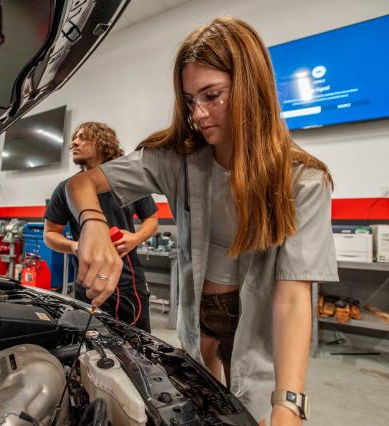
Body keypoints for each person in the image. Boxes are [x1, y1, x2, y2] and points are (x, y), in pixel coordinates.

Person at [63, 17, 339, 425]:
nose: (200, 114)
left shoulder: (303, 181)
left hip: (259, 347)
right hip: (195, 339)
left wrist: (290, 401)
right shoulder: (179, 160)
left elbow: (293, 298)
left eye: (212, 95)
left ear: (250, 86)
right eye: (191, 100)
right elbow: (80, 184)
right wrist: (93, 224)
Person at [43, 122, 158, 332]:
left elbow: (152, 219)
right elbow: (50, 234)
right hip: (88, 286)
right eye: (73, 139)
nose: (74, 143)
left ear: (103, 143)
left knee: (138, 346)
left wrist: (136, 237)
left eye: (82, 137)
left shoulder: (128, 182)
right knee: (91, 349)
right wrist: (76, 246)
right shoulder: (66, 189)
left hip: (128, 285)